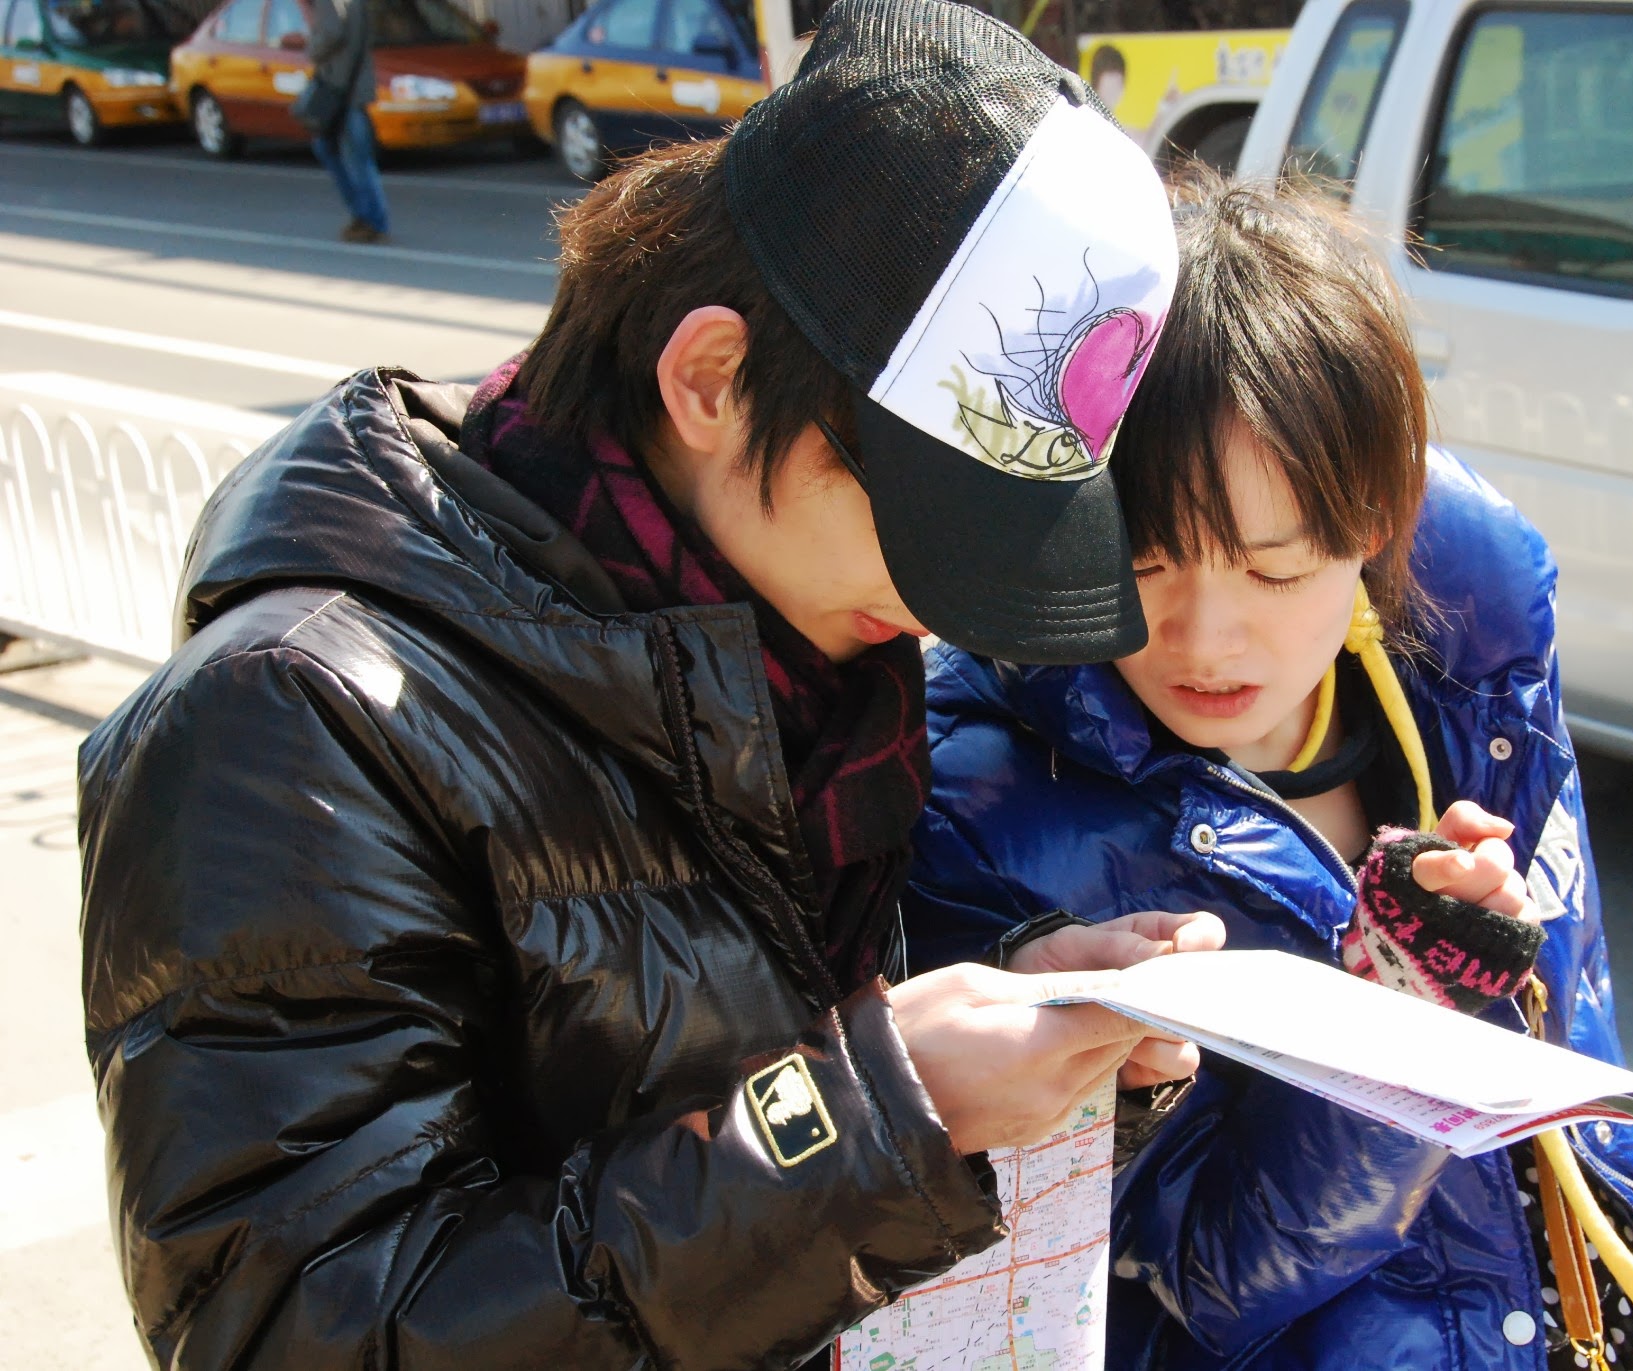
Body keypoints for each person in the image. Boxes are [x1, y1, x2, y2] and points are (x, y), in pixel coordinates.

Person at [77, 5, 1219, 1367]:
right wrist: (866, 1117)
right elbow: (295, 1329)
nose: (931, 604)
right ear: (712, 376)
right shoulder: (293, 725)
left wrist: (1013, 1015)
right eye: (918, 520)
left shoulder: (777, 642)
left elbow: (741, 1032)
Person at [904, 173, 1633, 1369]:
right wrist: (1409, 1013)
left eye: (1277, 570)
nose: (1205, 638)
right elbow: (1211, 1276)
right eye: (1142, 568)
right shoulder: (984, 805)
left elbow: (1575, 1038)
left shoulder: (1476, 665)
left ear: (1376, 524)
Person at [307, 0, 389, 243]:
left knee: (345, 154)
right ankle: (367, 216)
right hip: (353, 87)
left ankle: (369, 219)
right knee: (348, 153)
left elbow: (331, 32)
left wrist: (311, 49)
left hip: (340, 89)